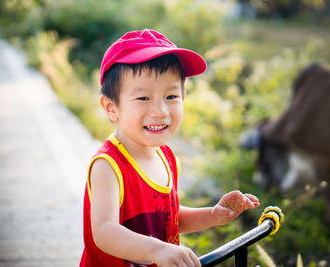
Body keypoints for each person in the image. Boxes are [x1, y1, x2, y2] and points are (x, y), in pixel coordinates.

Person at [80, 29, 260, 267]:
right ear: (112, 107)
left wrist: (212, 215)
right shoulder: (108, 165)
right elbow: (104, 231)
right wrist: (157, 250)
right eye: (143, 98)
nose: (161, 111)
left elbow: (167, 218)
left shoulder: (167, 157)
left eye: (171, 96)